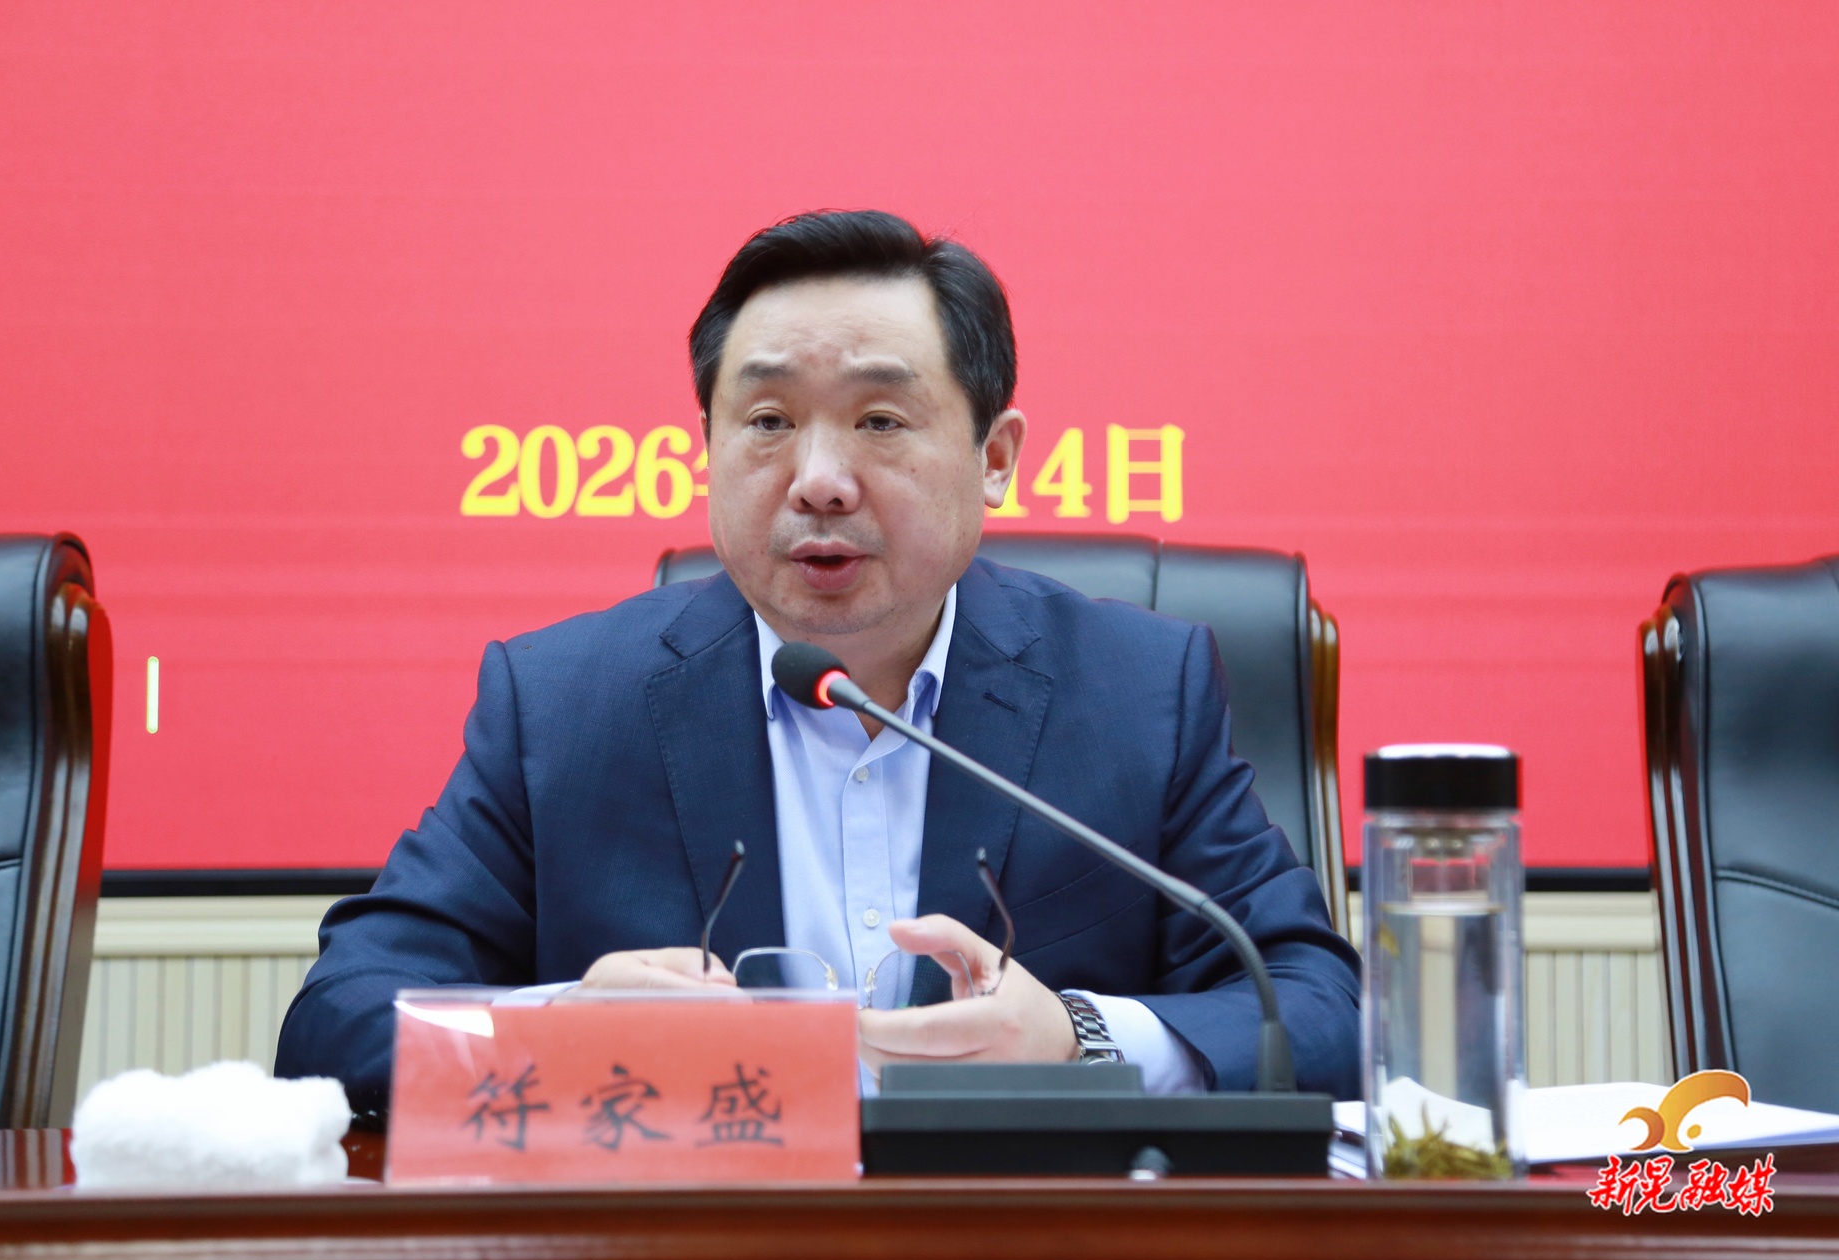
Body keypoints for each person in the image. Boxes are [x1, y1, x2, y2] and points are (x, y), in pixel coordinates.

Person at [276, 210, 1360, 1115]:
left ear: (994, 458)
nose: (820, 480)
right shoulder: (560, 705)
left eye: (880, 420)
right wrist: (565, 1030)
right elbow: (337, 1021)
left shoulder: (1138, 691)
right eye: (767, 420)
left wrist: (1079, 1037)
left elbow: (1321, 1011)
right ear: (706, 448)